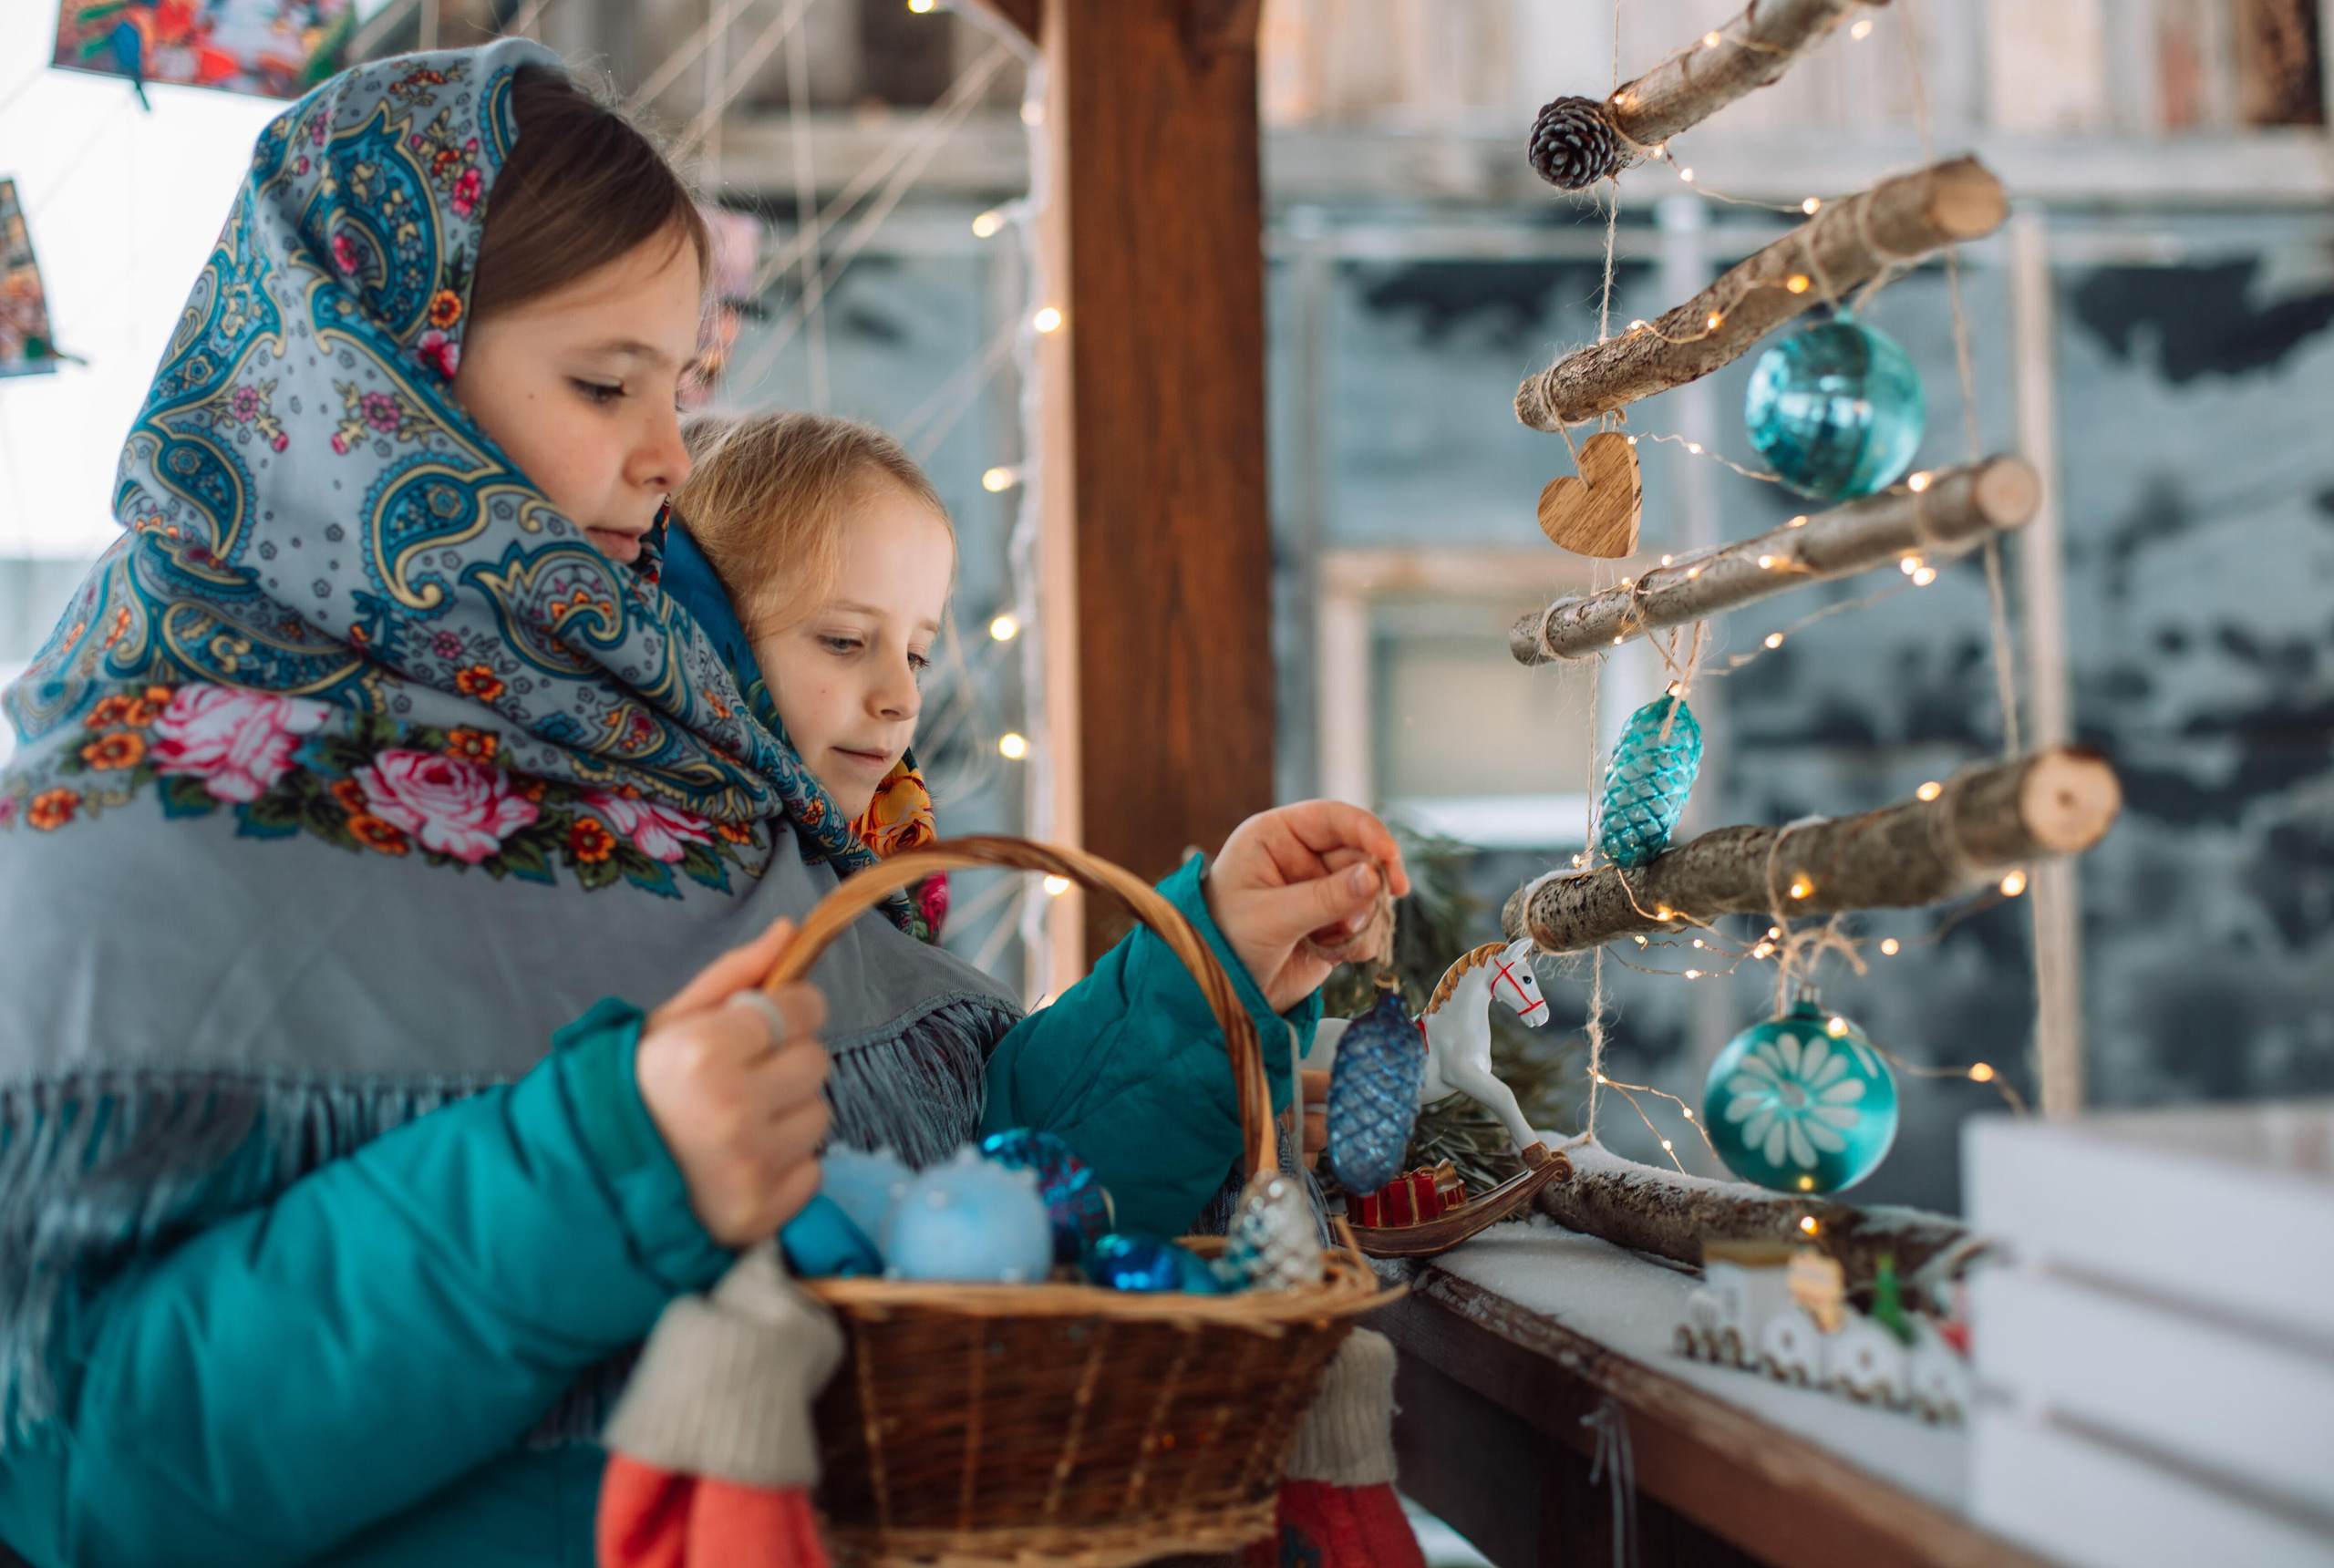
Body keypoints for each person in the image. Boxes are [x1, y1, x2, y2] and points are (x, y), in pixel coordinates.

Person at [0, 40, 1403, 1568]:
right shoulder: (104, 844)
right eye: (606, 384)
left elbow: (959, 1217)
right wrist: (604, 1167)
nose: (670, 457)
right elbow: (76, 1460)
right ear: (361, 378)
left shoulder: (695, 765)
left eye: (684, 386)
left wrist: (1194, 987)